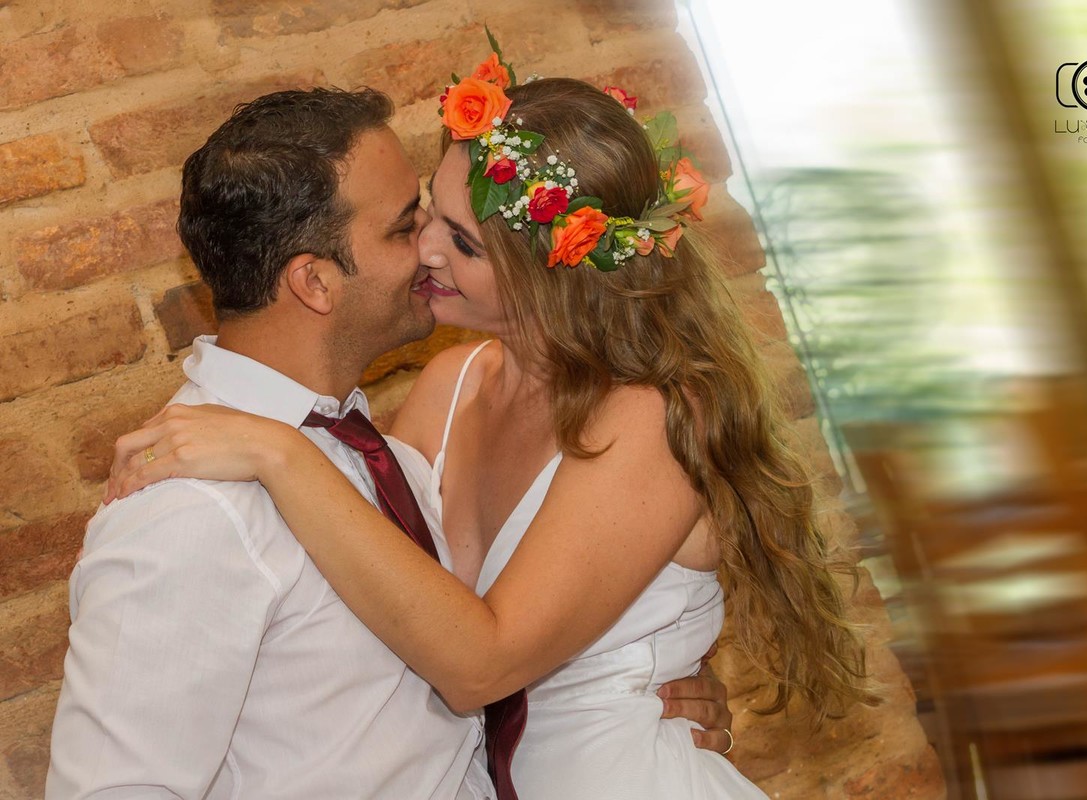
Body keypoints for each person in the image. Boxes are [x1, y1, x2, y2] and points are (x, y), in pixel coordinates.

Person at [106, 60, 875, 798]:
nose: (426, 249)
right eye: (427, 215)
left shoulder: (652, 418)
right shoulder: (449, 387)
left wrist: (277, 447)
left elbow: (485, 663)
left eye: (463, 243)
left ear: (553, 274)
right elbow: (393, 606)